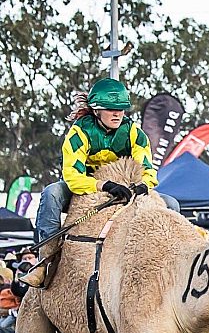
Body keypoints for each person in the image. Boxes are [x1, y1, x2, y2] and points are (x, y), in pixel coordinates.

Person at [23, 78, 182, 288]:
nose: (117, 114)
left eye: (121, 109)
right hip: (86, 189)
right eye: (110, 109)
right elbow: (72, 176)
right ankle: (46, 259)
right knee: (51, 193)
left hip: (126, 188)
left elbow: (148, 169)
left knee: (171, 204)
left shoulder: (135, 133)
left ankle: (175, 264)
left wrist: (144, 184)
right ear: (97, 110)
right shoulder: (79, 132)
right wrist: (103, 185)